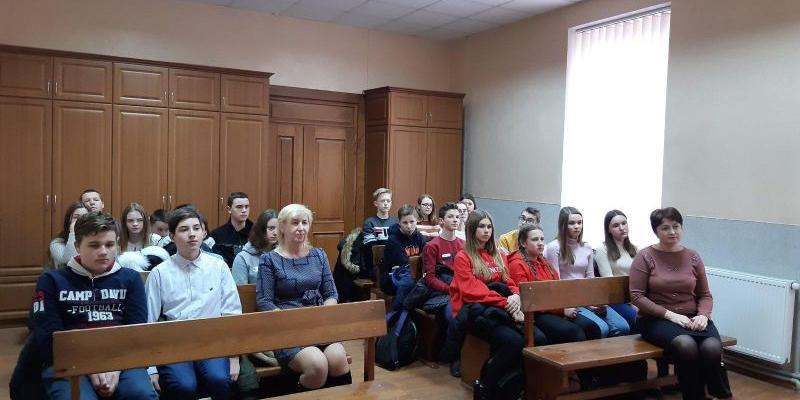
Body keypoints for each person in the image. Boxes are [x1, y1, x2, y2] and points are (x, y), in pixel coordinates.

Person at [33, 212, 157, 399]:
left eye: (109, 244)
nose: (103, 251)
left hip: (122, 359)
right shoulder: (51, 280)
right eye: (94, 245)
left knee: (141, 395)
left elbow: (135, 333)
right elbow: (48, 338)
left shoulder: (131, 279)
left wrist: (115, 367)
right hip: (69, 362)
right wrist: (91, 367)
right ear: (77, 246)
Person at [630, 207, 726, 400]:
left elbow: (705, 295)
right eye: (665, 228)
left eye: (676, 226)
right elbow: (637, 297)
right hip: (656, 319)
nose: (672, 232)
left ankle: (715, 392)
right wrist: (671, 315)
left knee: (712, 347)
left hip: (692, 317)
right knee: (686, 345)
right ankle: (694, 396)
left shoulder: (693, 256)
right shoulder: (645, 256)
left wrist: (703, 315)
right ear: (656, 231)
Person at [146, 207, 241, 400]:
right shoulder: (159, 273)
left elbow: (232, 314)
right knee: (184, 386)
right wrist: (150, 368)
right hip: (175, 342)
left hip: (211, 341)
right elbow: (148, 322)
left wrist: (234, 357)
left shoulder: (218, 267)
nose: (192, 234)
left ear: (204, 232)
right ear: (172, 236)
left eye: (196, 228)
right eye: (184, 229)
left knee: (219, 379)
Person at [256, 204, 350, 391]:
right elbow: (264, 301)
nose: (301, 228)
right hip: (288, 330)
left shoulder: (319, 255)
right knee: (317, 365)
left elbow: (331, 293)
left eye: (304, 223)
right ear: (282, 227)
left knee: (338, 360)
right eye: (295, 223)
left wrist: (323, 314)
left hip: (319, 325)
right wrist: (293, 321)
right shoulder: (269, 260)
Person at [449, 209, 524, 399]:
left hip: (499, 308)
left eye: (489, 227)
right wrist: (506, 302)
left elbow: (509, 282)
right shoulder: (463, 257)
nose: (486, 231)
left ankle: (511, 387)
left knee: (534, 337)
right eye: (481, 226)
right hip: (474, 312)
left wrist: (516, 296)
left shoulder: (498, 254)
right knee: (513, 342)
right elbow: (473, 292)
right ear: (471, 229)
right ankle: (485, 386)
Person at [545, 207, 630, 338]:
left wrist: (595, 301)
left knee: (623, 327)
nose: (577, 226)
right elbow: (556, 282)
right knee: (601, 328)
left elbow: (590, 277)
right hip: (568, 301)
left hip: (587, 298)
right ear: (563, 225)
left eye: (579, 222)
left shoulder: (586, 246)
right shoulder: (554, 247)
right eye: (572, 223)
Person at [508, 224, 599, 342]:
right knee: (575, 333)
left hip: (554, 307)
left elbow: (557, 288)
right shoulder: (517, 264)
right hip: (536, 314)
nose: (540, 243)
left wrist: (566, 305)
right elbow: (529, 299)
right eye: (535, 239)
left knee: (592, 328)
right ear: (523, 243)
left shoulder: (544, 261)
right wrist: (562, 310)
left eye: (542, 239)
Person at [420, 202, 464, 376]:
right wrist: (450, 290)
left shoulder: (463, 244)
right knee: (453, 315)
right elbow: (429, 278)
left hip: (462, 289)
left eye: (457, 217)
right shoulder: (432, 246)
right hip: (442, 292)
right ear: (441, 221)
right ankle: (454, 357)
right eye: (451, 217)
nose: (455, 220)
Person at [594, 209, 640, 329]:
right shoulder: (602, 250)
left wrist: (639, 301)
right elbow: (609, 282)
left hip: (636, 298)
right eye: (615, 225)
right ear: (608, 230)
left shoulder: (636, 249)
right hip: (616, 299)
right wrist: (631, 302)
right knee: (640, 320)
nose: (621, 228)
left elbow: (641, 279)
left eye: (624, 223)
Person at [381, 204, 426, 307]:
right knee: (412, 285)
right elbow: (404, 263)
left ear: (417, 221)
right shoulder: (393, 240)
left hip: (415, 275)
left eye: (412, 222)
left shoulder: (420, 237)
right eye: (405, 222)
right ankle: (399, 312)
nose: (409, 226)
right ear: (399, 223)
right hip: (393, 278)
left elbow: (425, 257)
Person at [232, 209, 278, 285]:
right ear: (260, 230)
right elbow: (242, 291)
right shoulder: (243, 258)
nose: (275, 233)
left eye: (278, 228)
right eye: (271, 228)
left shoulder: (284, 255)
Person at [361, 188, 398, 280]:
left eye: (388, 201)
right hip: (376, 264)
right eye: (382, 201)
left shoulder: (396, 221)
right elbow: (372, 248)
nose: (386, 203)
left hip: (394, 262)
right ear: (376, 203)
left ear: (391, 203)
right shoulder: (370, 222)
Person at [210, 192, 253, 267]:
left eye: (247, 206)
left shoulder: (257, 233)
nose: (244, 210)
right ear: (229, 209)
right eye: (239, 207)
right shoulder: (217, 235)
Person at [48, 201, 88, 269]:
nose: (81, 220)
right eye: (76, 217)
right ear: (68, 221)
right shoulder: (57, 243)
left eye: (85, 217)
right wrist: (72, 233)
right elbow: (70, 261)